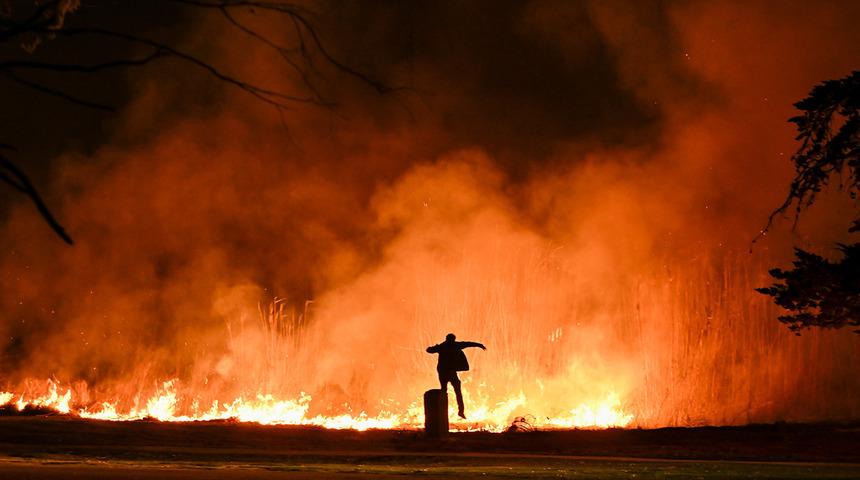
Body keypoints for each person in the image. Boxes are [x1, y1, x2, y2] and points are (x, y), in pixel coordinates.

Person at [426, 333, 486, 419]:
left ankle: (443, 413)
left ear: (446, 339)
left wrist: (435, 346)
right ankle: (460, 411)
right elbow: (468, 343)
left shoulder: (442, 346)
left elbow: (428, 350)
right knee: (457, 392)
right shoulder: (456, 345)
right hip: (450, 372)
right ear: (453, 339)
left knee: (444, 391)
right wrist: (480, 345)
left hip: (443, 372)